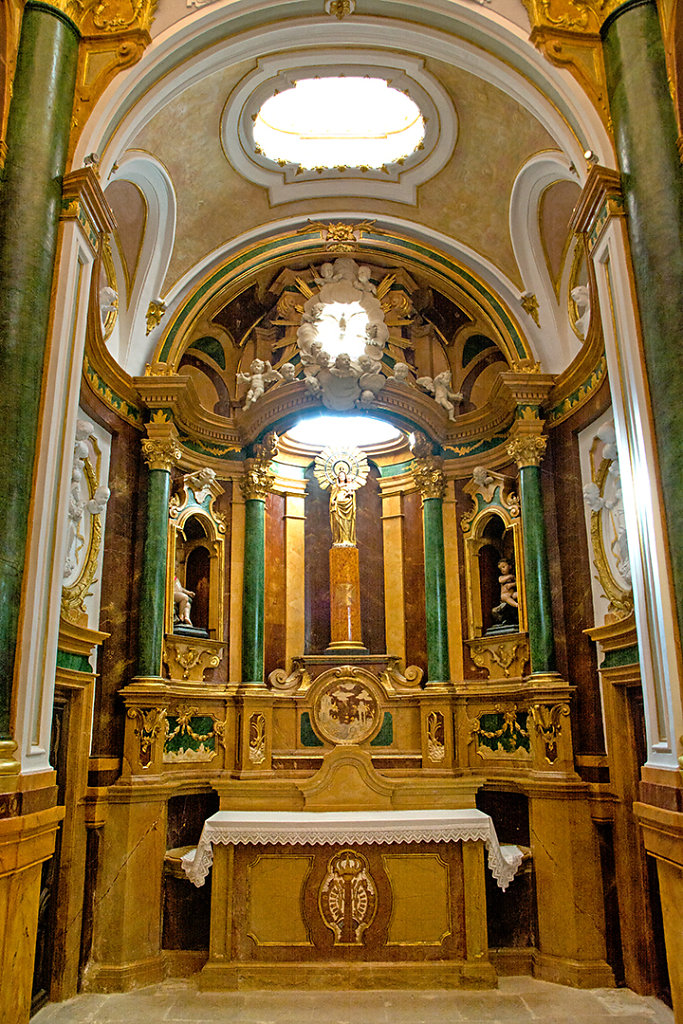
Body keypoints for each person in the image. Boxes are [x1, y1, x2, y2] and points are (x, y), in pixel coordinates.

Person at [329, 469, 357, 545]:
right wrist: (333, 500)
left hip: (348, 505)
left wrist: (350, 495)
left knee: (347, 523)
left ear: (345, 477)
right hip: (338, 505)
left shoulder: (349, 485)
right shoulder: (335, 486)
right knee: (338, 522)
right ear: (338, 477)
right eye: (340, 475)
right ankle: (339, 539)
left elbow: (352, 493)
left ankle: (347, 539)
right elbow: (333, 495)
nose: (341, 477)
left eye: (343, 475)